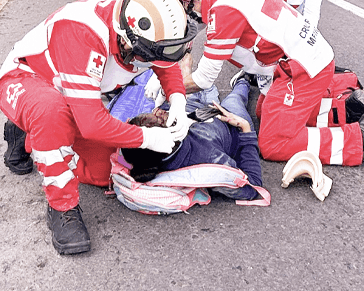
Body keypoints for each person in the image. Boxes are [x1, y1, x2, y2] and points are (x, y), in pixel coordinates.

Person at [0, 0, 198, 255]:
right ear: (128, 41)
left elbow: (165, 62)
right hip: (27, 78)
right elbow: (92, 124)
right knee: (50, 113)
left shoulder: (142, 27)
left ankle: (30, 134)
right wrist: (148, 137)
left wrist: (178, 101)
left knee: (104, 172)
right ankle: (61, 207)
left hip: (72, 93)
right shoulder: (83, 31)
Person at [154, 0, 364, 170]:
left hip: (301, 68)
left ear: (186, 1)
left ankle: (363, 135)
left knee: (272, 143)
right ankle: (341, 110)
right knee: (262, 111)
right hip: (304, 59)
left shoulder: (221, 14)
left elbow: (204, 79)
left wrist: (170, 89)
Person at [113, 64, 263, 201]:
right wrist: (245, 129)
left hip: (199, 109)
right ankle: (244, 79)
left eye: (154, 112)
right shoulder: (208, 160)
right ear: (171, 138)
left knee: (199, 84)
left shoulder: (148, 152)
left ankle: (210, 88)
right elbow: (251, 188)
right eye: (161, 117)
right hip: (231, 123)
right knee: (235, 98)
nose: (159, 111)